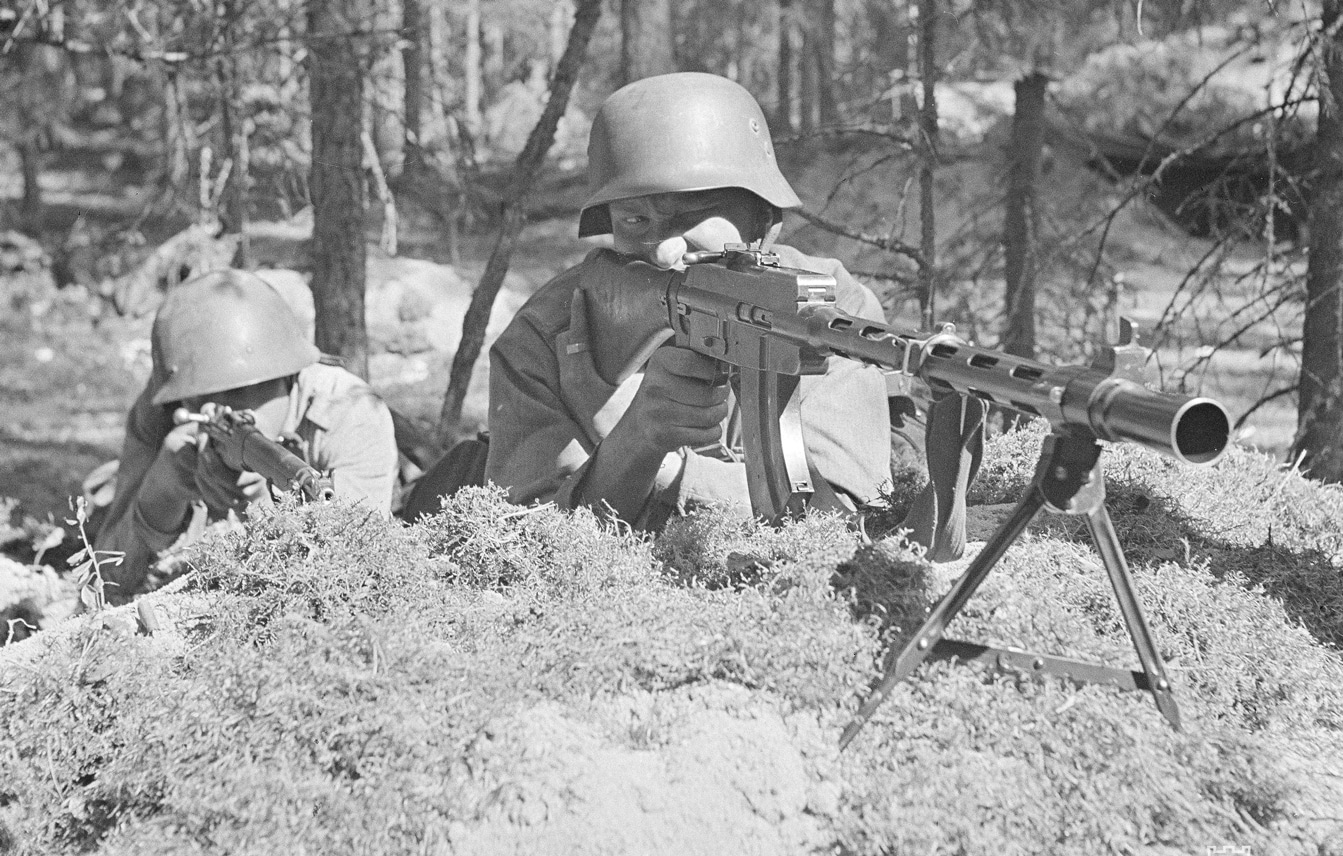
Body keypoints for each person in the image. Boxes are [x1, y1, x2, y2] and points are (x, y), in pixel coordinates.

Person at [485, 72, 896, 533]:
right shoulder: (546, 332)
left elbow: (838, 521)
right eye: (636, 220)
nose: (663, 250)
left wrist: (671, 473)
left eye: (691, 214)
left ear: (761, 217)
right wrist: (636, 437)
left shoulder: (827, 312)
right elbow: (521, 542)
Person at [95, 269, 399, 600]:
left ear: (286, 372)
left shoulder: (351, 414)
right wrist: (162, 493)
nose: (220, 411)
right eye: (202, 396)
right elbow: (101, 584)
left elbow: (350, 581)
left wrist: (257, 507)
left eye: (239, 392)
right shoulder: (163, 408)